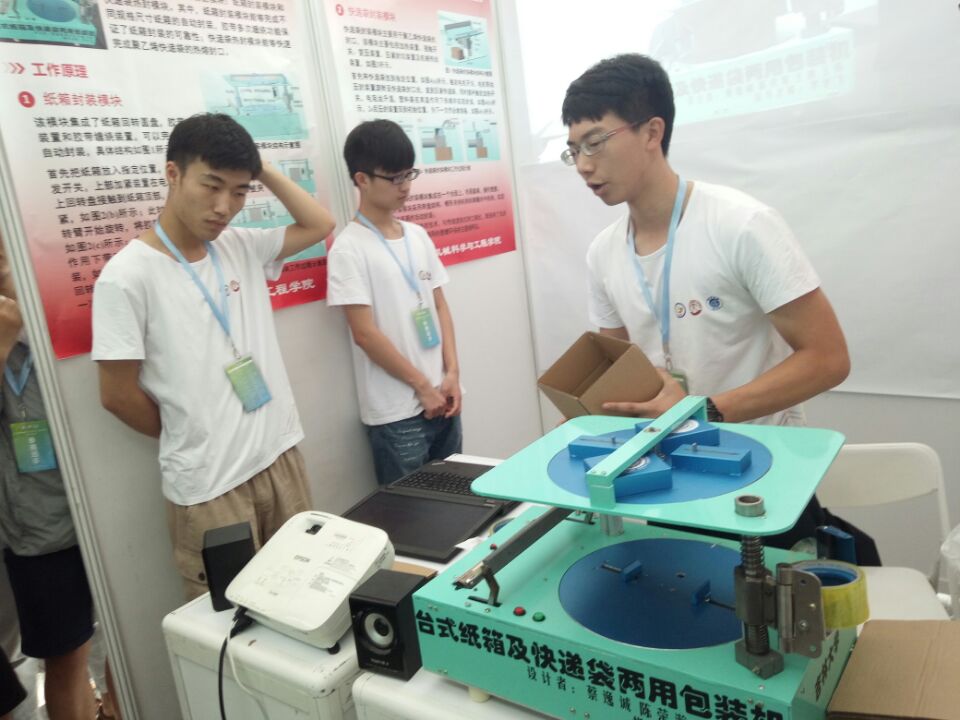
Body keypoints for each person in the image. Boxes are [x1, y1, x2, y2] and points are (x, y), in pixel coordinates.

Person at [92, 113, 336, 599]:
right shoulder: (127, 276)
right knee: (228, 627)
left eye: (240, 191)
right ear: (173, 174)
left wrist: (261, 168)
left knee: (305, 598)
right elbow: (116, 396)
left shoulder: (240, 246)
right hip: (211, 486)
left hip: (278, 455)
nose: (225, 207)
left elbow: (320, 224)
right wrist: (193, 427)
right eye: (211, 186)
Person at [562, 53, 849, 427]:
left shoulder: (741, 225)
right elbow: (616, 369)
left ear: (652, 132)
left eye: (595, 142)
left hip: (761, 450)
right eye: (574, 151)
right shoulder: (603, 252)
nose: (583, 166)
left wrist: (703, 412)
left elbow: (828, 359)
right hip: (667, 449)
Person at [327, 120, 462, 485]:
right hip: (397, 413)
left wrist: (452, 374)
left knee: (459, 500)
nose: (405, 186)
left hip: (444, 396)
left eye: (409, 174)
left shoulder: (417, 235)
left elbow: (440, 306)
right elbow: (365, 334)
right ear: (362, 179)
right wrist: (422, 387)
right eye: (394, 177)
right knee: (410, 512)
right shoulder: (348, 249)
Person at [0, 232, 97, 719]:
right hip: (39, 530)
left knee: (111, 640)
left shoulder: (62, 301)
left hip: (100, 507)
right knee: (66, 656)